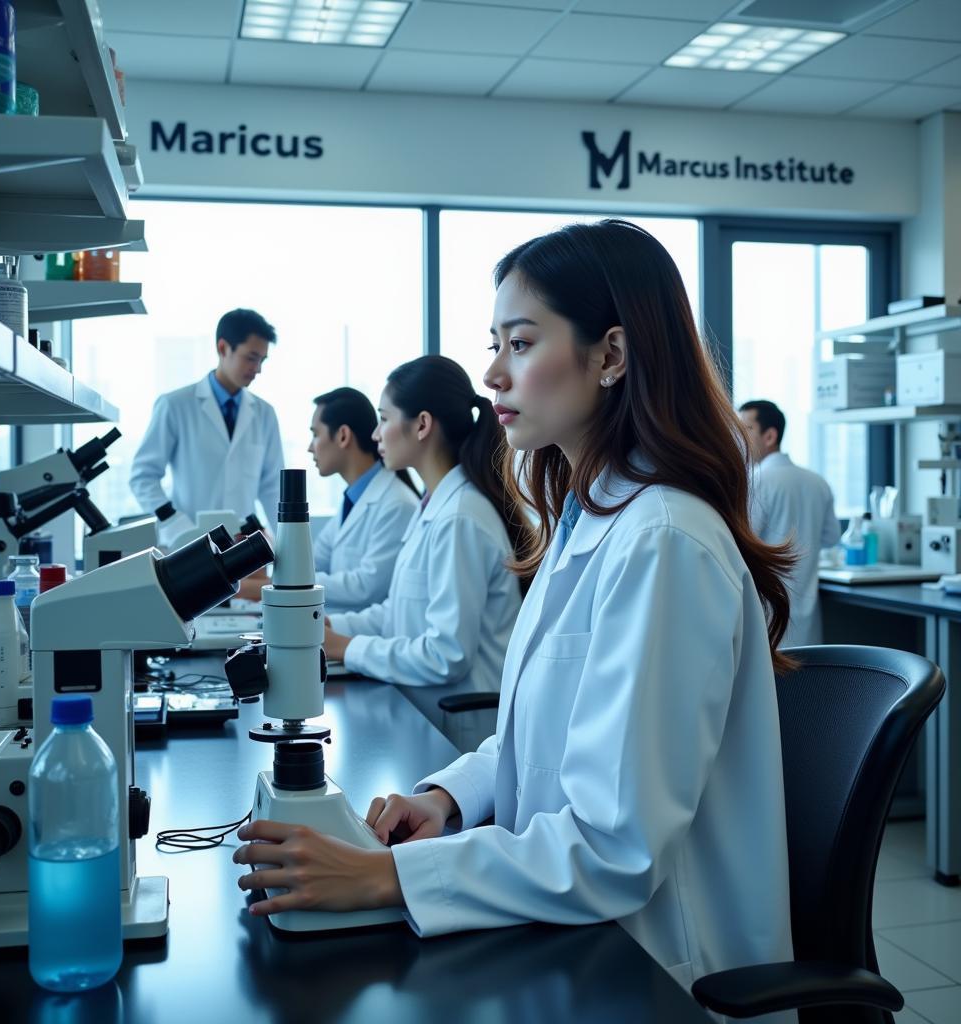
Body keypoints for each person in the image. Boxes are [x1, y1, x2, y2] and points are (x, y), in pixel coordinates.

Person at [233, 221, 797, 1005]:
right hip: (575, 933)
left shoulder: (662, 541)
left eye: (521, 343)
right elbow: (543, 739)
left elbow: (615, 847)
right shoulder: (588, 520)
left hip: (658, 967)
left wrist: (386, 877)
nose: (492, 374)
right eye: (493, 343)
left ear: (611, 356)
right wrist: (450, 799)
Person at [322, 355, 527, 753]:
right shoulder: (434, 505)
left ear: (421, 425)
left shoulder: (460, 518)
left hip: (460, 731)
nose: (376, 435)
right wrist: (331, 625)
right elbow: (400, 613)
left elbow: (446, 654)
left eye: (384, 419)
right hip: (424, 714)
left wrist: (346, 648)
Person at [130, 308, 284, 545]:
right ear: (223, 348)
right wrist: (173, 522)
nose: (258, 369)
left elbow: (272, 488)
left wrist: (288, 547)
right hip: (189, 542)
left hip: (243, 546)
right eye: (251, 358)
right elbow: (143, 477)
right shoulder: (175, 405)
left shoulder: (265, 414)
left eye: (262, 360)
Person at [308, 388, 419, 614]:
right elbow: (313, 563)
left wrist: (293, 584)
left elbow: (367, 587)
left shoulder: (398, 504)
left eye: (316, 434)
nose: (310, 447)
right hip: (344, 632)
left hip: (364, 636)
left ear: (342, 436)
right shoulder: (352, 500)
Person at [739, 399, 840, 647]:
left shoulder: (757, 481)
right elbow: (831, 538)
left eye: (746, 429)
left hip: (768, 618)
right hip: (806, 622)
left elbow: (742, 542)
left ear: (770, 435)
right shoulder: (817, 482)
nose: (740, 438)